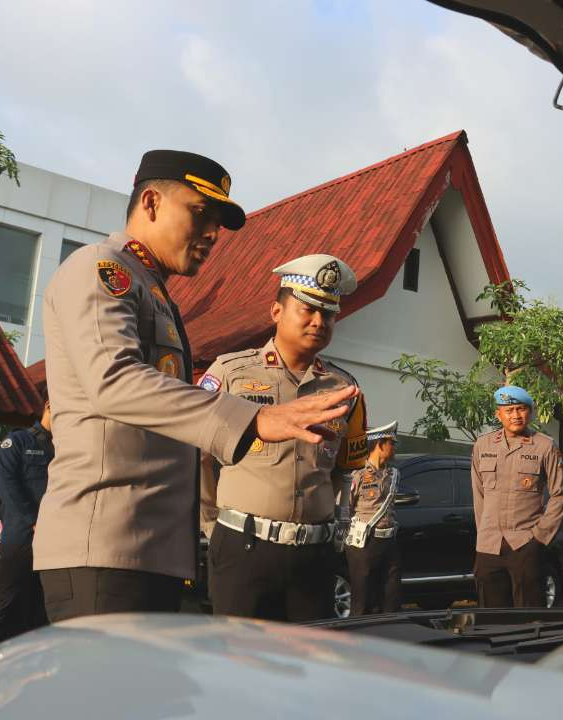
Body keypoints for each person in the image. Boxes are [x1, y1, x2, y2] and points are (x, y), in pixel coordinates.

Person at [35, 151, 357, 622]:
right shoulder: (104, 271)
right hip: (105, 547)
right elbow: (114, 380)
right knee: (106, 695)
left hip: (147, 550)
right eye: (200, 214)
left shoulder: (152, 290)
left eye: (217, 224)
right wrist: (254, 417)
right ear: (150, 202)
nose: (211, 234)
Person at [199, 254, 367, 621]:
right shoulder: (230, 374)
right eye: (307, 310)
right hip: (243, 548)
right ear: (276, 311)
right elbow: (197, 459)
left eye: (329, 314)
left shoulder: (344, 390)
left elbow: (343, 470)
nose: (319, 321)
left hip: (313, 556)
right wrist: (214, 527)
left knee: (304, 670)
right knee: (238, 664)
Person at [471, 386, 563, 608]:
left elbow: (560, 494)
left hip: (526, 544)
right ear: (498, 414)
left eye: (521, 409)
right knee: (491, 617)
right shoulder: (482, 445)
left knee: (530, 616)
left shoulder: (545, 446)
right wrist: (484, 531)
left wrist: (540, 538)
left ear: (530, 412)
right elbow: (478, 493)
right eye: (509, 410)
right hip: (489, 545)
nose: (516, 415)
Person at [0, 400, 53, 656]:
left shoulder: (65, 449)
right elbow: (7, 487)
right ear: (49, 406)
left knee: (40, 610)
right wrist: (33, 520)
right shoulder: (17, 443)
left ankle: (30, 669)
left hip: (54, 545)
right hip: (21, 541)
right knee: (2, 604)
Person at [344, 421, 402, 615]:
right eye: (391, 443)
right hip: (365, 543)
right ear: (380, 445)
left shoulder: (393, 474)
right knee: (362, 599)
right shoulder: (357, 474)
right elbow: (346, 508)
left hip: (389, 541)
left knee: (390, 597)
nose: (394, 448)